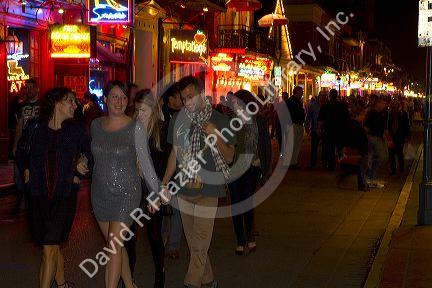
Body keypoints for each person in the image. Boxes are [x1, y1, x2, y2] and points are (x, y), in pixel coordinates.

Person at [161, 76, 236, 288]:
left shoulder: (220, 119)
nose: (187, 102)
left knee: (200, 245)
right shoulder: (177, 120)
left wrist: (215, 134)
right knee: (195, 245)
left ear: (202, 94)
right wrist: (165, 184)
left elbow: (230, 157)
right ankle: (209, 281)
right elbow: (174, 156)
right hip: (184, 190)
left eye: (191, 96)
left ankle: (191, 283)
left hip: (209, 190)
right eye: (184, 98)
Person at [15, 87, 92, 288]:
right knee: (51, 245)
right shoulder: (35, 128)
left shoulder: (76, 130)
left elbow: (90, 152)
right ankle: (62, 283)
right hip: (38, 195)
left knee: (49, 248)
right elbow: (21, 151)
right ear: (57, 103)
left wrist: (80, 168)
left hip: (64, 196)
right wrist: (25, 168)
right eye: (70, 101)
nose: (75, 105)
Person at [91, 80, 152, 288]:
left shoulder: (136, 128)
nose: (119, 101)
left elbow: (146, 164)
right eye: (115, 96)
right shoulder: (96, 126)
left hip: (127, 194)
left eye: (124, 97)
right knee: (115, 245)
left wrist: (156, 191)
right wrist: (81, 162)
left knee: (113, 247)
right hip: (99, 194)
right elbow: (94, 156)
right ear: (105, 99)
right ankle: (130, 284)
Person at [124, 89, 171, 288]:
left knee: (153, 235)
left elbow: (166, 163)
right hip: (134, 189)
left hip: (153, 189)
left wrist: (158, 193)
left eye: (143, 110)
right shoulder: (132, 130)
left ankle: (160, 273)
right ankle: (129, 277)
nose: (139, 115)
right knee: (129, 236)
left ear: (152, 109)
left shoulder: (161, 129)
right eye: (137, 110)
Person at [228, 90, 272, 255]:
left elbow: (265, 146)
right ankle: (240, 239)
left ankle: (249, 237)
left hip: (252, 167)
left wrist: (266, 169)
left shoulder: (258, 120)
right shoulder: (230, 121)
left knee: (246, 201)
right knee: (236, 203)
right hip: (233, 167)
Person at [160, 83, 184, 260]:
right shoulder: (159, 117)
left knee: (176, 207)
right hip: (161, 167)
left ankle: (174, 244)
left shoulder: (184, 117)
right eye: (179, 97)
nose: (182, 101)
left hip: (178, 169)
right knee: (162, 206)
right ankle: (161, 239)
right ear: (170, 99)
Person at [12, 78, 41, 215]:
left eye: (31, 87)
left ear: (37, 89)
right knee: (19, 173)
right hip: (24, 143)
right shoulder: (21, 106)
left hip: (37, 143)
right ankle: (23, 196)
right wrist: (15, 146)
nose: (29, 90)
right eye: (27, 87)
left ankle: (33, 200)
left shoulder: (43, 106)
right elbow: (18, 126)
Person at [318, 89, 350, 171]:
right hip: (339, 130)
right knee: (339, 148)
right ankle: (342, 164)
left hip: (330, 130)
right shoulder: (341, 106)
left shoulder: (326, 106)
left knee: (330, 148)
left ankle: (332, 164)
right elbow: (347, 118)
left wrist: (320, 129)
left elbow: (320, 119)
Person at [364, 97, 388, 188]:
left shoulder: (380, 114)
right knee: (377, 158)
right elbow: (366, 126)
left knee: (377, 158)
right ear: (377, 103)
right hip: (373, 138)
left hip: (376, 137)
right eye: (382, 103)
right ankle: (370, 178)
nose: (384, 105)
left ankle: (370, 178)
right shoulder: (373, 113)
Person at [388, 99, 411, 175]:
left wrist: (407, 137)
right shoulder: (389, 114)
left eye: (396, 105)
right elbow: (388, 125)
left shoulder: (403, 114)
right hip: (392, 136)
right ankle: (393, 170)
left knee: (399, 153)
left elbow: (406, 126)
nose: (394, 106)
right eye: (393, 105)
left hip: (400, 136)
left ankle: (401, 169)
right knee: (391, 154)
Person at [286, 86, 305, 169]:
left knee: (296, 144)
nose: (302, 93)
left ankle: (293, 161)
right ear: (297, 92)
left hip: (297, 124)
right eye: (301, 92)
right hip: (293, 124)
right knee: (293, 144)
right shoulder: (292, 101)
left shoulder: (296, 101)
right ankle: (291, 162)